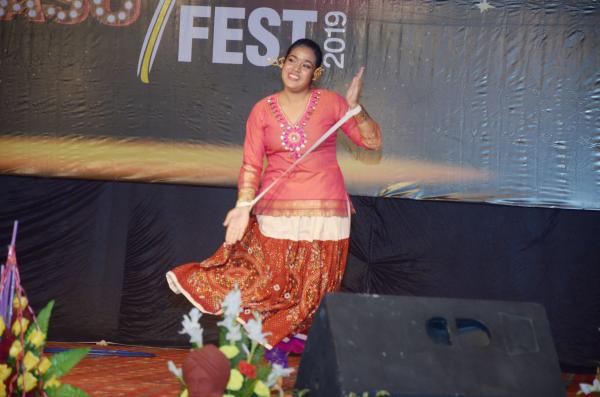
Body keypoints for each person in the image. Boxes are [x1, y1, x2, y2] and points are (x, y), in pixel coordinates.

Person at [166, 38, 381, 349]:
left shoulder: (332, 103)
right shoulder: (262, 110)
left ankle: (272, 350)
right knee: (264, 283)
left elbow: (372, 142)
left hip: (325, 214)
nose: (296, 69)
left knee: (312, 293)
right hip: (274, 212)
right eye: (292, 60)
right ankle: (265, 346)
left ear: (316, 73)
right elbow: (251, 165)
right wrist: (242, 207)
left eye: (306, 65)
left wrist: (355, 108)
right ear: (283, 63)